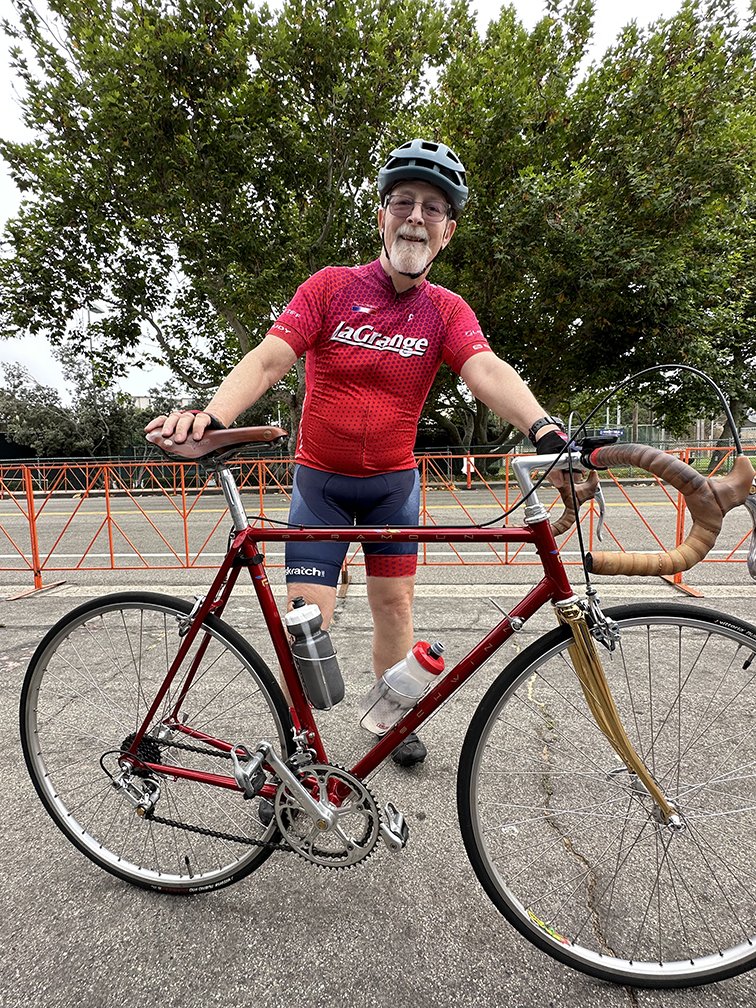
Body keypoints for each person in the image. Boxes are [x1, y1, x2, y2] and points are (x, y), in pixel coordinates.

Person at [146, 138, 567, 767]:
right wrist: (211, 415)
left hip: (393, 486)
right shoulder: (331, 288)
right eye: (403, 202)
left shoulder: (446, 310)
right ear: (381, 216)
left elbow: (483, 368)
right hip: (321, 484)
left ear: (447, 232)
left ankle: (390, 721)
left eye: (432, 207)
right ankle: (296, 740)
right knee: (305, 621)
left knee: (394, 606)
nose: (416, 217)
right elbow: (270, 359)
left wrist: (545, 429)